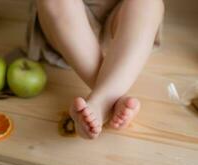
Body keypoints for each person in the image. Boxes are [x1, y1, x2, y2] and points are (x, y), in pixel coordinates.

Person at [27, 0, 164, 139]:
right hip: (68, 31)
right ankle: (110, 96)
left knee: (148, 3)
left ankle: (102, 100)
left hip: (122, 23)